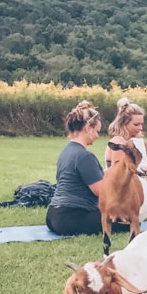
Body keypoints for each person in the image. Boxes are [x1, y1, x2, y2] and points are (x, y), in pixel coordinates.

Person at [45, 101, 105, 235]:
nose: (97, 136)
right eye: (97, 131)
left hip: (52, 216)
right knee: (126, 220)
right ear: (88, 128)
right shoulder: (84, 156)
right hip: (70, 217)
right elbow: (101, 191)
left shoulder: (66, 152)